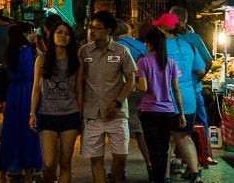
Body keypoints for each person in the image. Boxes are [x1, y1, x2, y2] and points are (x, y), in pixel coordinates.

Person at [77, 10, 136, 183]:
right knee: (96, 158)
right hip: (92, 113)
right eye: (91, 27)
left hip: (116, 113)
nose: (92, 31)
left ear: (108, 31)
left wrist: (117, 101)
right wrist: (80, 110)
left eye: (97, 28)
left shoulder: (122, 51)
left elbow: (130, 80)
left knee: (121, 155)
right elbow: (79, 83)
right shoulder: (84, 52)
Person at [154, 12, 205, 181]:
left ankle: (166, 177)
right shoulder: (189, 45)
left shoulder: (157, 47)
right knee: (183, 136)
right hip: (187, 98)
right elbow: (201, 69)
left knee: (165, 140)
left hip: (164, 99)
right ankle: (195, 172)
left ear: (162, 28)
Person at [29, 20, 80, 183]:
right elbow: (36, 88)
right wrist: (32, 112)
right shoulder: (42, 60)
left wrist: (82, 116)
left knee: (65, 162)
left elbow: (79, 90)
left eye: (67, 33)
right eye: (59, 32)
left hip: (70, 114)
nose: (63, 36)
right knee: (48, 163)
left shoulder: (76, 61)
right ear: (51, 35)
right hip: (47, 115)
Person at [136, 28, 186, 183]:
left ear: (149, 44)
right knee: (164, 149)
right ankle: (162, 178)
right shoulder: (171, 63)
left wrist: (132, 81)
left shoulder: (143, 61)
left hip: (149, 111)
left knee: (153, 149)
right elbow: (176, 90)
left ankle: (157, 179)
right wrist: (182, 113)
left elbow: (143, 88)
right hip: (168, 112)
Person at [169, 5, 214, 162]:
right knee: (196, 124)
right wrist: (198, 79)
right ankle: (201, 156)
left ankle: (185, 158)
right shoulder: (193, 38)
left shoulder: (168, 39)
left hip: (173, 91)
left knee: (175, 128)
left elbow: (208, 62)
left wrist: (197, 80)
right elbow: (208, 62)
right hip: (191, 90)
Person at [0, 22, 42, 183]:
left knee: (10, 132)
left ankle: (4, 173)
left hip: (13, 94)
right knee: (29, 133)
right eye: (31, 32)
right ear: (25, 34)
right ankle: (29, 175)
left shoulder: (9, 52)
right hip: (29, 94)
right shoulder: (30, 52)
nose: (33, 35)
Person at [114, 19, 150, 178]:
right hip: (142, 90)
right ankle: (150, 165)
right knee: (141, 130)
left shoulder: (116, 47)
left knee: (122, 130)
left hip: (124, 90)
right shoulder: (141, 46)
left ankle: (120, 170)